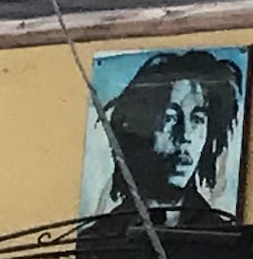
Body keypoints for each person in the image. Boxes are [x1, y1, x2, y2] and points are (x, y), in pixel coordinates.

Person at [94, 49, 245, 226]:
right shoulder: (101, 235)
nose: (186, 136)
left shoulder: (220, 234)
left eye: (197, 119)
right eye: (170, 118)